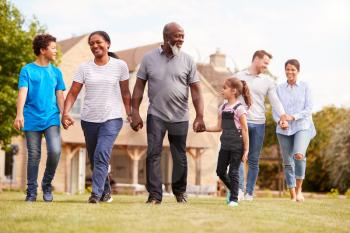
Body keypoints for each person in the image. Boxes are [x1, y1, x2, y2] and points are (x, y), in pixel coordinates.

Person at [131, 22, 205, 204]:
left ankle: (180, 193)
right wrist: (135, 112)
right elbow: (139, 86)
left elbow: (196, 90)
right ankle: (155, 195)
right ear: (166, 37)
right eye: (177, 36)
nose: (180, 40)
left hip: (180, 116)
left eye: (182, 37)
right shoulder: (148, 59)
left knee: (179, 155)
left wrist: (200, 116)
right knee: (153, 153)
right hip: (156, 114)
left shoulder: (188, 60)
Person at [61, 31, 131, 204]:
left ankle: (95, 195)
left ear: (108, 43)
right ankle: (106, 192)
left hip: (112, 118)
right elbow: (72, 93)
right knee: (94, 159)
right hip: (89, 119)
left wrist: (131, 114)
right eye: (91, 43)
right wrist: (65, 112)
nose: (94, 46)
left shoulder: (120, 66)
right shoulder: (84, 68)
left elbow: (125, 93)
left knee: (101, 153)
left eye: (98, 42)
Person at [13, 34, 65, 202]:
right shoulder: (27, 70)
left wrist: (64, 114)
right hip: (31, 117)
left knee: (55, 151)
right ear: (43, 50)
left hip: (51, 117)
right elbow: (22, 92)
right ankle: (32, 191)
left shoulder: (56, 72)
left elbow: (59, 96)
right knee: (34, 155)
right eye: (53, 48)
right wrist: (19, 114)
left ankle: (47, 184)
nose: (55, 51)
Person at [236, 50, 288, 201]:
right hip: (241, 122)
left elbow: (275, 102)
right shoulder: (239, 76)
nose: (267, 65)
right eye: (265, 62)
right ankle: (239, 190)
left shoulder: (268, 81)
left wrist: (282, 117)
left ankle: (249, 193)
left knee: (253, 159)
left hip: (259, 124)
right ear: (256, 59)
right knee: (239, 157)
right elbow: (230, 98)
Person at [273, 59, 316, 202]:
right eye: (287, 69)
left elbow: (309, 109)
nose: (290, 72)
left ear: (298, 71)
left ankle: (299, 190)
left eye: (293, 69)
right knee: (287, 161)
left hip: (302, 126)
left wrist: (292, 117)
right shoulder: (279, 88)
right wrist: (281, 120)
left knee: (299, 155)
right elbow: (275, 108)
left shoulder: (305, 87)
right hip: (284, 128)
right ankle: (292, 195)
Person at [206, 77, 251, 207]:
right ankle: (236, 190)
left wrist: (246, 150)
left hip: (237, 144)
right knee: (220, 171)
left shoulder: (239, 109)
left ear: (233, 91)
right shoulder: (222, 107)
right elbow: (218, 127)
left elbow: (245, 129)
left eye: (225, 88)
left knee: (233, 172)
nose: (222, 90)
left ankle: (234, 199)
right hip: (225, 143)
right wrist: (205, 128)